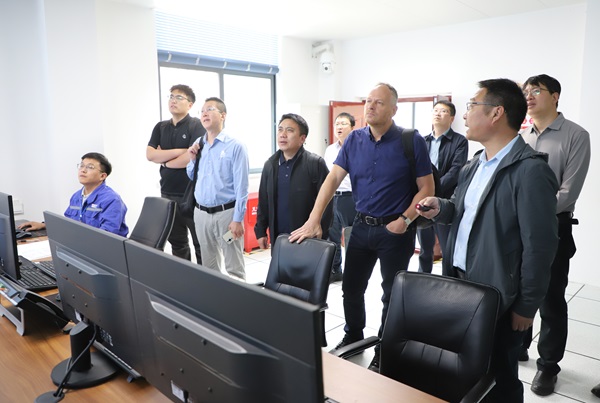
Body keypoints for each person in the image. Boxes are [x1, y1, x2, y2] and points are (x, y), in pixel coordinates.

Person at [416, 78, 559, 403]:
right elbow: (464, 210)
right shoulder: (474, 165)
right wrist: (441, 208)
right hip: (460, 283)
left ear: (496, 113)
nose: (465, 115)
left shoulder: (530, 172)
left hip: (498, 295)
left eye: (471, 106)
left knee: (500, 379)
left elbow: (540, 247)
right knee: (466, 370)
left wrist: (526, 305)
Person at [289, 83, 434, 372]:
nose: (371, 106)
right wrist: (313, 219)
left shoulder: (410, 140)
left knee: (392, 294)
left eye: (379, 102)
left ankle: (385, 347)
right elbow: (332, 179)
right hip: (361, 226)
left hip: (396, 230)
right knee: (351, 287)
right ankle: (354, 334)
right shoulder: (354, 140)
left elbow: (426, 188)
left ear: (393, 109)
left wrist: (404, 220)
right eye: (368, 101)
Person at [519, 74, 591, 396]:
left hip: (553, 226)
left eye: (536, 90)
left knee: (550, 299)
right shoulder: (521, 137)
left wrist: (531, 213)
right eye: (526, 91)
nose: (529, 96)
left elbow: (568, 191)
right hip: (518, 225)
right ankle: (518, 346)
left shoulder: (576, 135)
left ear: (555, 96)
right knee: (518, 290)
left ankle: (548, 365)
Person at [186, 97, 249, 281]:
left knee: (233, 265)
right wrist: (192, 159)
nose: (204, 113)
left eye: (210, 109)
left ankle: (237, 298)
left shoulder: (235, 146)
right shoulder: (200, 144)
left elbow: (242, 187)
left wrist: (237, 219)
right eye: (202, 111)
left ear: (223, 115)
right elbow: (192, 175)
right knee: (209, 265)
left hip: (226, 217)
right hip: (202, 216)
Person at [254, 113, 333, 252]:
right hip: (279, 237)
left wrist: (321, 230)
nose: (283, 134)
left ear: (302, 138)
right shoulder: (270, 165)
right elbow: (264, 201)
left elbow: (327, 201)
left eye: (289, 130)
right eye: (280, 129)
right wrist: (260, 231)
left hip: (307, 238)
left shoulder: (315, 163)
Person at [147, 84, 205, 263]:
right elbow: (150, 155)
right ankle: (184, 277)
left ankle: (205, 278)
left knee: (200, 244)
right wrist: (181, 151)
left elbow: (191, 157)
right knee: (177, 243)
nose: (173, 100)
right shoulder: (160, 127)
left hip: (192, 195)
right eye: (171, 96)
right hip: (167, 193)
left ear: (190, 104)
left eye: (179, 97)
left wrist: (164, 160)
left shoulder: (196, 125)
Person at [19, 152, 128, 237]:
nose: (83, 170)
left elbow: (107, 236)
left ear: (102, 176)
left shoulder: (112, 200)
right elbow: (69, 223)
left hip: (103, 251)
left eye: (90, 167)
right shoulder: (76, 196)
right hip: (80, 245)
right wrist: (44, 225)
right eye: (81, 166)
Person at [416, 100, 468, 273]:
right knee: (425, 248)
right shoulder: (422, 141)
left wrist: (432, 190)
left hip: (445, 202)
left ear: (452, 118)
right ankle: (423, 278)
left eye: (443, 111)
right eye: (435, 110)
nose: (438, 113)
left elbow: (456, 171)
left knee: (447, 247)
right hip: (423, 199)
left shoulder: (459, 141)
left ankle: (448, 281)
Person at [323, 112, 357, 282]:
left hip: (351, 198)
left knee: (351, 236)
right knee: (332, 236)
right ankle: (336, 270)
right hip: (332, 198)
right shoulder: (330, 149)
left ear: (352, 127)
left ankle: (353, 272)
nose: (339, 127)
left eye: (344, 124)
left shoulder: (358, 148)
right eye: (337, 124)